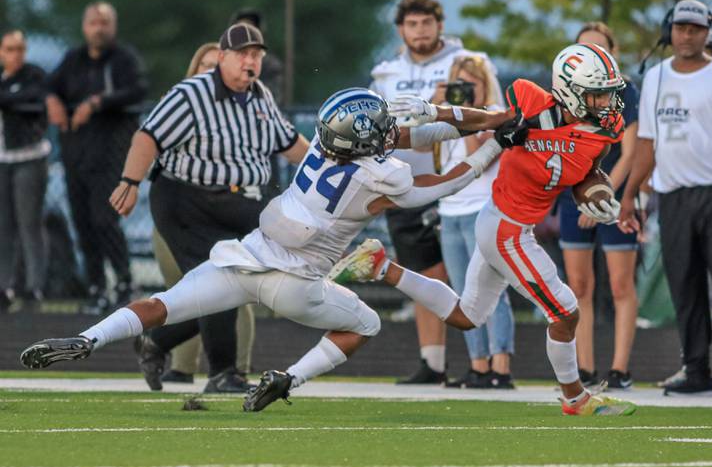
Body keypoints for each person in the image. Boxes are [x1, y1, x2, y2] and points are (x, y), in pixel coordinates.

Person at [19, 87, 523, 411]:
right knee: (364, 324)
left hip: (244, 259)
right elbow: (445, 182)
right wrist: (495, 142)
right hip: (298, 284)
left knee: (162, 304)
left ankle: (87, 338)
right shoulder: (379, 176)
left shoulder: (327, 147)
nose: (392, 131)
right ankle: (288, 379)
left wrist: (482, 121)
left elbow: (402, 133)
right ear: (367, 142)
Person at [333, 44, 637, 416]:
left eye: (609, 91)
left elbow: (588, 169)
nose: (608, 100)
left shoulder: (603, 130)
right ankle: (575, 398)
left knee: (468, 316)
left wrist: (599, 193)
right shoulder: (534, 108)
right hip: (506, 228)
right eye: (599, 92)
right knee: (565, 312)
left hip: (502, 225)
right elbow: (484, 119)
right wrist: (434, 110)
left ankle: (382, 266)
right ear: (571, 91)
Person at [109, 22, 308, 393]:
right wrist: (129, 183)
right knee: (219, 278)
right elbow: (147, 137)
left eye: (257, 55)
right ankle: (223, 373)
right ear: (222, 57)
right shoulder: (192, 93)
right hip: (187, 200)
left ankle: (157, 342)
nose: (250, 62)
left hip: (241, 201)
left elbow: (289, 141)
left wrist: (331, 166)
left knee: (247, 283)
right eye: (243, 54)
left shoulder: (260, 96)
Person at [618, 0, 712, 397]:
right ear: (670, 31)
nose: (686, 35)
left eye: (695, 29)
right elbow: (646, 143)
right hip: (673, 194)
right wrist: (629, 195)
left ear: (706, 33)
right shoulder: (658, 77)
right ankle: (696, 371)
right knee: (684, 285)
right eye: (680, 28)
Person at [369, 0, 502, 384]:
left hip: (459, 184)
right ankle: (434, 361)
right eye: (412, 23)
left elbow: (489, 106)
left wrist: (442, 103)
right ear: (401, 29)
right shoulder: (385, 72)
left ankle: (485, 363)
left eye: (427, 22)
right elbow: (378, 126)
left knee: (466, 276)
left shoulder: (467, 61)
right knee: (422, 274)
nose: (420, 30)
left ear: (440, 25)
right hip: (405, 182)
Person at [153, 42, 256, 384]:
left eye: (219, 66)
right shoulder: (179, 109)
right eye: (205, 66)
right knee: (194, 290)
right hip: (181, 213)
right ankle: (180, 362)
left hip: (226, 213)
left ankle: (232, 369)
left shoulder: (247, 114)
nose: (212, 74)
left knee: (231, 289)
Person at [46, 1, 147, 314]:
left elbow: (138, 89)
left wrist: (97, 102)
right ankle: (96, 288)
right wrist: (52, 100)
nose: (98, 28)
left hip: (111, 153)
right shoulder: (73, 59)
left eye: (104, 22)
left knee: (106, 220)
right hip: (76, 155)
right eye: (93, 22)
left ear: (112, 27)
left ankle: (124, 283)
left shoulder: (123, 59)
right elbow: (50, 85)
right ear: (84, 26)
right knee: (84, 222)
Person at [557, 22, 640, 390]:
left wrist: (604, 197)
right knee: (578, 285)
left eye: (598, 48)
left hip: (615, 195)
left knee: (621, 283)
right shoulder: (561, 93)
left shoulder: (626, 92)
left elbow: (632, 150)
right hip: (574, 195)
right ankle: (585, 367)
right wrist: (581, 197)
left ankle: (620, 368)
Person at [431, 55, 515, 389]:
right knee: (463, 294)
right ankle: (477, 365)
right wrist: (437, 106)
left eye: (471, 85)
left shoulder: (493, 114)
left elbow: (477, 155)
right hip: (449, 211)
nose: (465, 92)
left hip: (482, 209)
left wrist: (464, 113)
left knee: (492, 290)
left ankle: (501, 365)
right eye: (459, 85)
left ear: (484, 85)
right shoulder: (446, 116)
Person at [0, 29, 51, 311]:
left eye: (19, 48)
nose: (15, 54)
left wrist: (9, 100)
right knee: (3, 226)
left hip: (29, 157)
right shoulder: (4, 81)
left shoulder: (35, 76)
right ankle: (4, 286)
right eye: (9, 49)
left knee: (29, 222)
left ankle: (35, 287)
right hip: (3, 158)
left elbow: (33, 104)